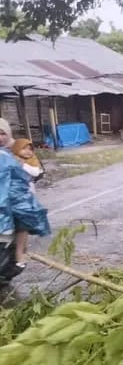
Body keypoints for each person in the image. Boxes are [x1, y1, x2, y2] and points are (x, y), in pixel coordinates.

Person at [0, 119, 51, 281]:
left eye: (2, 133)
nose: (0, 137)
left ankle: (17, 261)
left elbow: (38, 171)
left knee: (18, 231)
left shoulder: (18, 148)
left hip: (19, 199)